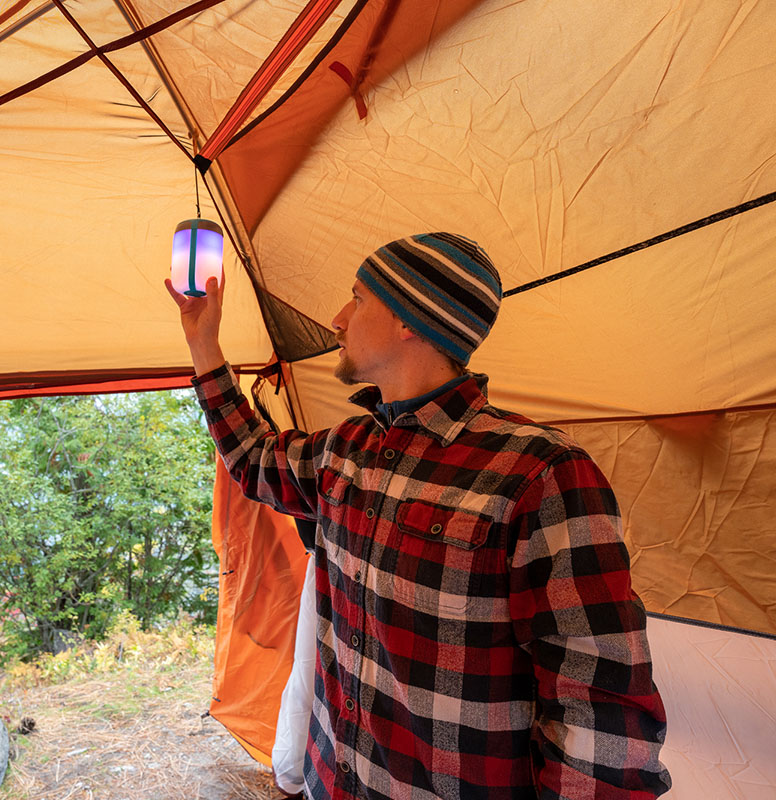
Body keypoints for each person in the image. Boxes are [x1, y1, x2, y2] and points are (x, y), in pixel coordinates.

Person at [166, 232, 670, 799]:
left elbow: (600, 710)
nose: (337, 319)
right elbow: (255, 460)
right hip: (332, 782)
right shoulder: (345, 448)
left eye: (356, 299)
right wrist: (203, 344)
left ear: (409, 321)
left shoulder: (541, 472)